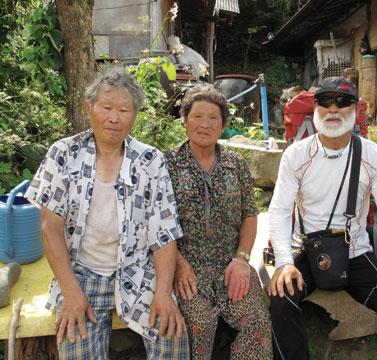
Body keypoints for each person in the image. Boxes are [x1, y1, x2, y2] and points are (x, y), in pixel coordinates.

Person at [25, 68, 189, 359]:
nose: (114, 117)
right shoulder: (63, 154)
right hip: (81, 274)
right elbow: (50, 228)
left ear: (134, 115)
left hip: (138, 272)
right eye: (107, 107)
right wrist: (70, 290)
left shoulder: (150, 160)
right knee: (76, 344)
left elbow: (163, 232)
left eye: (124, 109)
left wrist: (163, 292)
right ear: (89, 109)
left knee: (172, 335)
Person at [268, 77, 377, 360]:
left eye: (343, 102)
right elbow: (278, 209)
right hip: (309, 251)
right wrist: (284, 263)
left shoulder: (374, 155)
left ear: (355, 108)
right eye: (325, 101)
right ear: (315, 108)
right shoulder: (296, 155)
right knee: (281, 300)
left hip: (355, 251)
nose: (333, 109)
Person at [165, 85, 272, 359]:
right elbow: (156, 223)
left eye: (213, 118)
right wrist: (176, 264)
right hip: (186, 268)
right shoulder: (167, 164)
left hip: (229, 266)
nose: (205, 124)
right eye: (197, 116)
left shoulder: (235, 164)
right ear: (184, 120)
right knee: (198, 323)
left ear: (223, 124)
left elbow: (249, 214)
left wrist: (242, 259)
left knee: (256, 319)